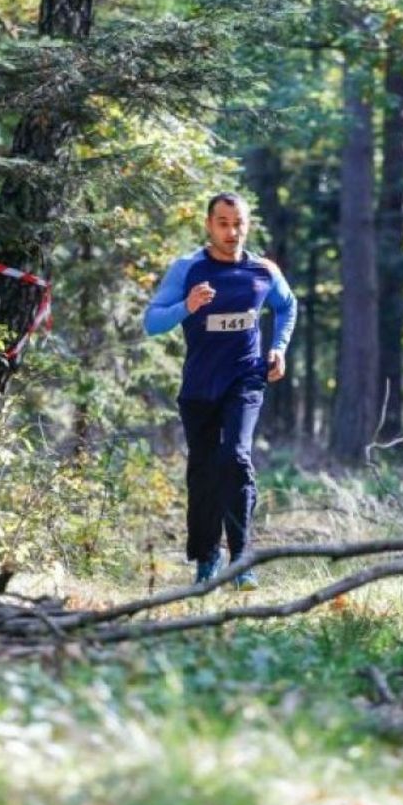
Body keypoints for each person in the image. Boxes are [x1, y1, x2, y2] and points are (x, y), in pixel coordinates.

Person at [144, 192, 298, 589]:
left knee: (235, 457)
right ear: (209, 225)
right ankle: (207, 557)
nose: (232, 232)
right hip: (200, 386)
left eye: (238, 223)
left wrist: (278, 347)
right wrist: (188, 306)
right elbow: (152, 323)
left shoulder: (263, 270)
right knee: (204, 471)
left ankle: (242, 559)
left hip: (245, 378)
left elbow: (287, 306)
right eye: (223, 223)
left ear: (248, 225)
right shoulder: (188, 269)